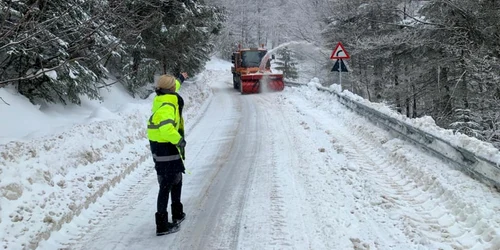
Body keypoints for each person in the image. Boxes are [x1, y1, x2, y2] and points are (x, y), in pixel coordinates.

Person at [147, 74, 187, 236]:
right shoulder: (167, 106)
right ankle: (162, 225)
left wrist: (181, 78)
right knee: (166, 184)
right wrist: (179, 141)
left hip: (165, 146)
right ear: (170, 89)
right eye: (174, 86)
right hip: (164, 147)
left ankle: (177, 212)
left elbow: (174, 85)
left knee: (177, 178)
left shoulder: (166, 96)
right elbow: (166, 128)